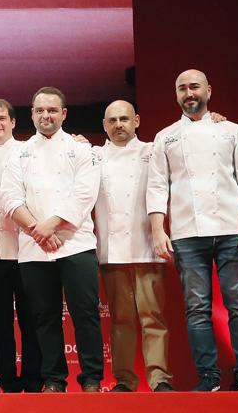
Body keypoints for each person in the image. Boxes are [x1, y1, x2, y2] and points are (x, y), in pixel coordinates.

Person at [147, 69, 238, 392]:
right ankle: (209, 378)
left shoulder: (230, 130)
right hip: (186, 232)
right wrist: (157, 229)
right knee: (197, 308)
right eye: (182, 88)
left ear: (209, 89)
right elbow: (156, 184)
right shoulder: (166, 137)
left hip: (232, 229)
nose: (189, 93)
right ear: (176, 95)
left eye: (194, 87)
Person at [1, 87, 103, 392]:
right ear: (32, 114)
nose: (46, 116)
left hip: (76, 244)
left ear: (64, 114)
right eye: (40, 110)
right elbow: (9, 197)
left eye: (52, 110)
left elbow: (84, 195)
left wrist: (52, 225)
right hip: (34, 248)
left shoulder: (82, 150)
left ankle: (92, 378)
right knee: (44, 317)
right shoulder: (17, 152)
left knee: (85, 313)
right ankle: (54, 378)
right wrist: (37, 229)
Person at [95, 100, 173, 392]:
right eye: (112, 120)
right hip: (112, 251)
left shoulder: (153, 150)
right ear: (104, 125)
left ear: (136, 121)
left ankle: (160, 378)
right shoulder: (94, 155)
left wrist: (212, 118)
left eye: (124, 119)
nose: (118, 125)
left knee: (152, 317)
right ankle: (125, 379)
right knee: (121, 320)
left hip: (148, 247)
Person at [0, 98, 41, 393]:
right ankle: (6, 380)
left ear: (14, 122)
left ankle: (33, 379)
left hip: (28, 250)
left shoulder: (29, 151)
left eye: (2, 118)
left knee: (31, 320)